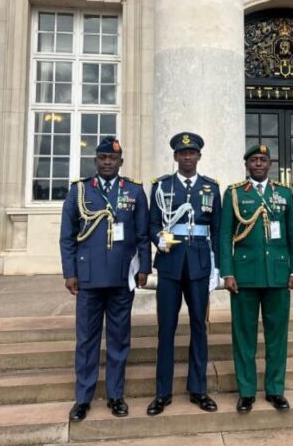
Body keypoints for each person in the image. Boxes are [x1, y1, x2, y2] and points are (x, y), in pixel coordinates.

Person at [60, 136, 151, 422]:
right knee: (86, 340)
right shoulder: (79, 191)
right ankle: (83, 398)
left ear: (120, 162)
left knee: (118, 338)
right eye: (102, 158)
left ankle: (115, 396)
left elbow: (143, 235)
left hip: (122, 276)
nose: (108, 162)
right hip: (88, 278)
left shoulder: (134, 191)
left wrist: (144, 268)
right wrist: (70, 272)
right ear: (96, 161)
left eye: (113, 158)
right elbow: (67, 237)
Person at [219, 143, 293, 413]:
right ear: (246, 164)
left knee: (277, 336)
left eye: (263, 160)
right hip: (244, 276)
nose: (258, 164)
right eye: (253, 159)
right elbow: (224, 236)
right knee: (244, 336)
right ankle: (246, 391)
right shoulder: (233, 194)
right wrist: (227, 272)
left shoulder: (283, 194)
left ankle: (275, 389)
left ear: (269, 165)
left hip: (278, 275)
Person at [147, 132, 221, 416]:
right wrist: (158, 239)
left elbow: (216, 229)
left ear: (199, 157)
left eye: (192, 153)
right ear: (175, 157)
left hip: (200, 264)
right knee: (166, 327)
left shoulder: (210, 188)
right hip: (170, 262)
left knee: (199, 327)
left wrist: (216, 267)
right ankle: (162, 392)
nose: (187, 157)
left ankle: (198, 389)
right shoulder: (161, 186)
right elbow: (152, 222)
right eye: (182, 153)